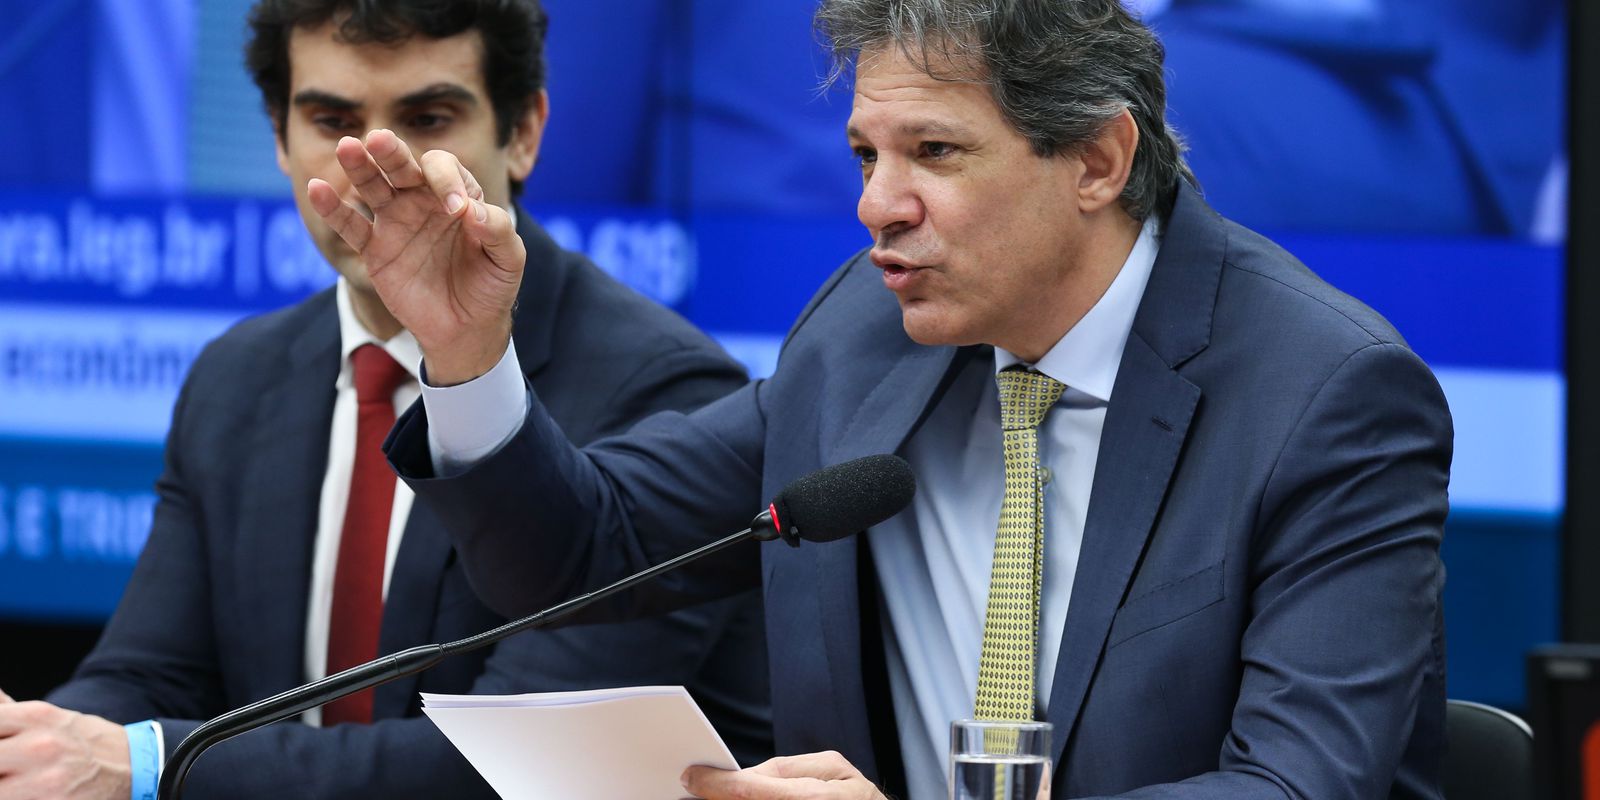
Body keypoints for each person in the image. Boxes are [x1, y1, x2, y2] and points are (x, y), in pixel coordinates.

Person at [318, 0, 1452, 797]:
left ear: (1099, 161)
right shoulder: (863, 337)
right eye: (867, 154)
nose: (877, 206)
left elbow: (1295, 784)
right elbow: (583, 551)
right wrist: (465, 351)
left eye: (935, 152)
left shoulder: (1324, 396)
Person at [0, 1, 772, 798]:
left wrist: (149, 763)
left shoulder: (662, 390)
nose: (377, 166)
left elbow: (523, 765)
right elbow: (144, 680)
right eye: (332, 121)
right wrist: (33, 749)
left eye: (428, 118)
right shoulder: (237, 376)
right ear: (278, 136)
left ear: (523, 132)